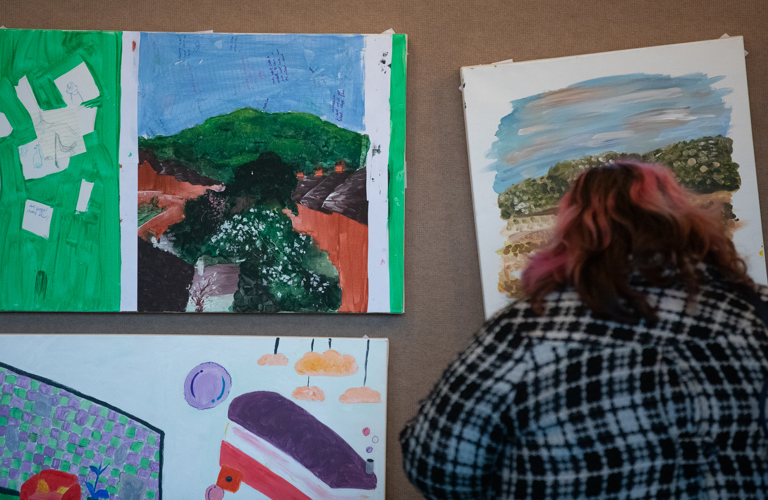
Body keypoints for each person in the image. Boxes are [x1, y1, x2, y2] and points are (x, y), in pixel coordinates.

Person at [400, 161, 768, 499]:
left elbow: (435, 468)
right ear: (686, 222)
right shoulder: (757, 314)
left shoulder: (526, 332)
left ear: (573, 232)